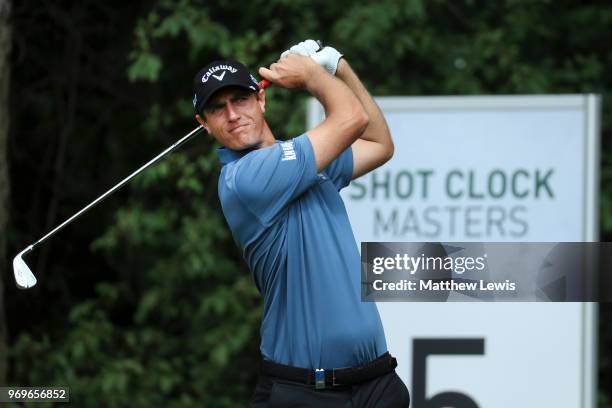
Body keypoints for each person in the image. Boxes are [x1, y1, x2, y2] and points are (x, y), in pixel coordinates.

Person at [192, 40, 410, 407]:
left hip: (376, 383)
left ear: (261, 100)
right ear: (205, 125)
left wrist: (338, 66)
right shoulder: (244, 179)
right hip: (306, 392)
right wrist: (314, 75)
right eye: (217, 108)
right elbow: (352, 119)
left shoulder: (307, 163)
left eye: (240, 100)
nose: (232, 114)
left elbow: (378, 142)